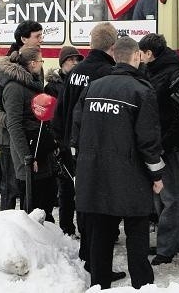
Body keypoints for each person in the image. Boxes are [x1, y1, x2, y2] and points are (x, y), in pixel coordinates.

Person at [71, 36, 164, 290]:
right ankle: (142, 285)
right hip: (130, 175)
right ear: (136, 57)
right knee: (137, 233)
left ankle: (99, 284)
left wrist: (81, 165)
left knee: (100, 232)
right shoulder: (142, 91)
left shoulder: (93, 88)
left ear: (114, 57)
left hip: (95, 172)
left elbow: (76, 130)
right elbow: (148, 141)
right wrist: (157, 175)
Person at [51, 22, 125, 282]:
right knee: (101, 209)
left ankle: (85, 255)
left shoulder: (75, 72)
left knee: (82, 202)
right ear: (113, 47)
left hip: (73, 148)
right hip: (96, 149)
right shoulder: (108, 72)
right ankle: (97, 265)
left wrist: (62, 144)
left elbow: (60, 112)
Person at [138, 33, 179, 265]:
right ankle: (172, 242)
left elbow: (176, 116)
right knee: (160, 195)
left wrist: (164, 145)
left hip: (167, 144)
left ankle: (167, 248)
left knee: (169, 196)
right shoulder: (155, 70)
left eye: (142, 53)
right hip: (157, 143)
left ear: (149, 54)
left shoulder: (172, 74)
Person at [0, 20, 43, 210]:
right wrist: (11, 122)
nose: (40, 41)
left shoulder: (36, 64)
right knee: (11, 186)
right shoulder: (4, 66)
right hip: (6, 136)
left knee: (28, 184)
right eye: (37, 37)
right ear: (23, 39)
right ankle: (8, 228)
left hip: (27, 134)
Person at [2, 45, 56, 220]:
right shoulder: (15, 88)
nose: (42, 64)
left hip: (38, 148)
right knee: (31, 201)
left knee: (45, 196)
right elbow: (14, 125)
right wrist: (27, 157)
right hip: (27, 153)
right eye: (41, 61)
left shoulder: (33, 82)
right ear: (33, 63)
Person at [44, 45, 83, 235]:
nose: (75, 64)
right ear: (62, 63)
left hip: (78, 140)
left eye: (77, 60)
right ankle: (67, 228)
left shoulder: (80, 82)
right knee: (66, 187)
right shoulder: (52, 86)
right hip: (63, 142)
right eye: (70, 60)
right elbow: (50, 117)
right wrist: (56, 143)